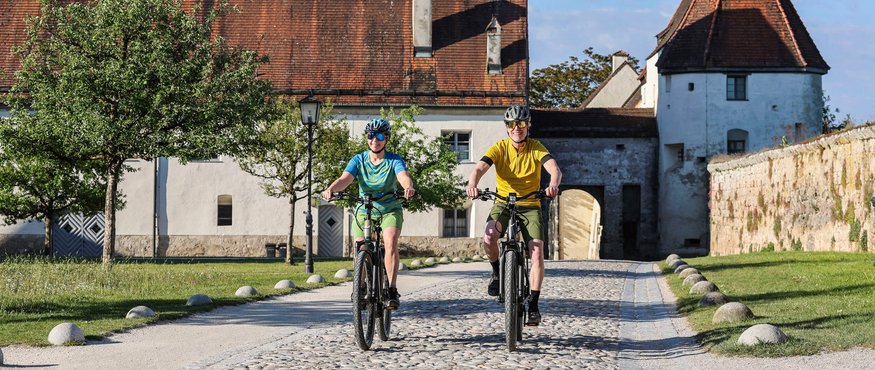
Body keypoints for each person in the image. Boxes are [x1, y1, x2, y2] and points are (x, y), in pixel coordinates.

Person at [465, 105, 562, 326]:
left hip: (530, 204)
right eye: (512, 124)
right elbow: (480, 167)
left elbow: (554, 169)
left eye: (521, 124)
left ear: (528, 126)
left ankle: (534, 304)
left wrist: (553, 185)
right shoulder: (499, 148)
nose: (516, 128)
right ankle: (497, 272)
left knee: (536, 252)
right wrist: (472, 184)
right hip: (503, 203)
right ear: (507, 128)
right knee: (489, 236)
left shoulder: (536, 148)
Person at [322, 118, 415, 310]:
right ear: (367, 138)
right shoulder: (358, 160)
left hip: (389, 208)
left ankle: (391, 289)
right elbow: (345, 178)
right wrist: (331, 189)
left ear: (386, 139)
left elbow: (403, 176)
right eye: (371, 136)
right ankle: (361, 287)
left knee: (390, 242)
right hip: (364, 208)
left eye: (380, 136)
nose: (375, 140)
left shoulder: (394, 160)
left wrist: (408, 187)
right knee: (360, 247)